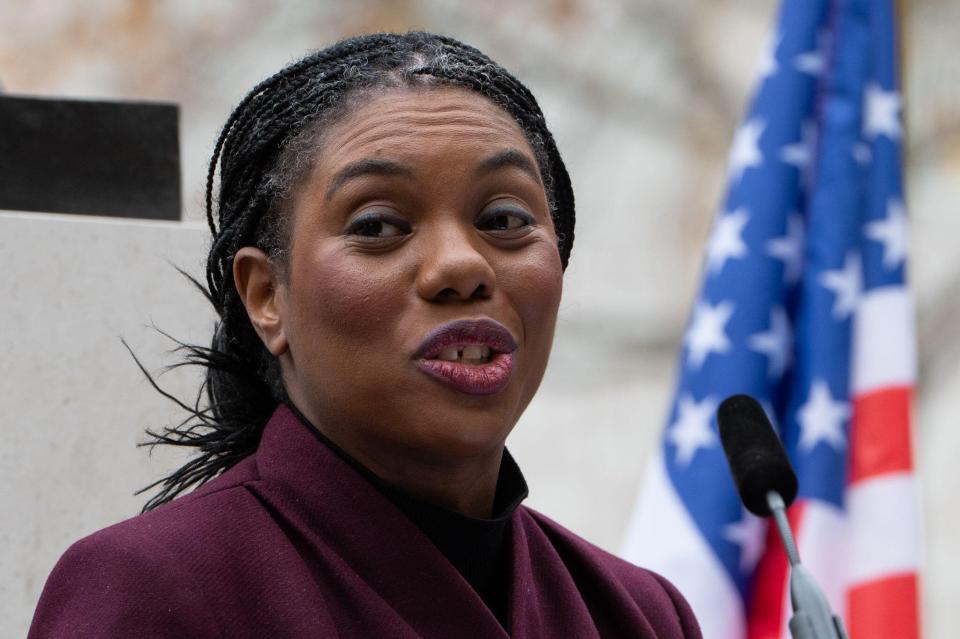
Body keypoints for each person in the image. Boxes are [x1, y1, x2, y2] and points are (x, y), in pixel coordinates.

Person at [29, 32, 701, 638]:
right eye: (378, 225)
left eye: (503, 217)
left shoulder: (638, 613)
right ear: (267, 296)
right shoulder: (154, 589)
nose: (462, 266)